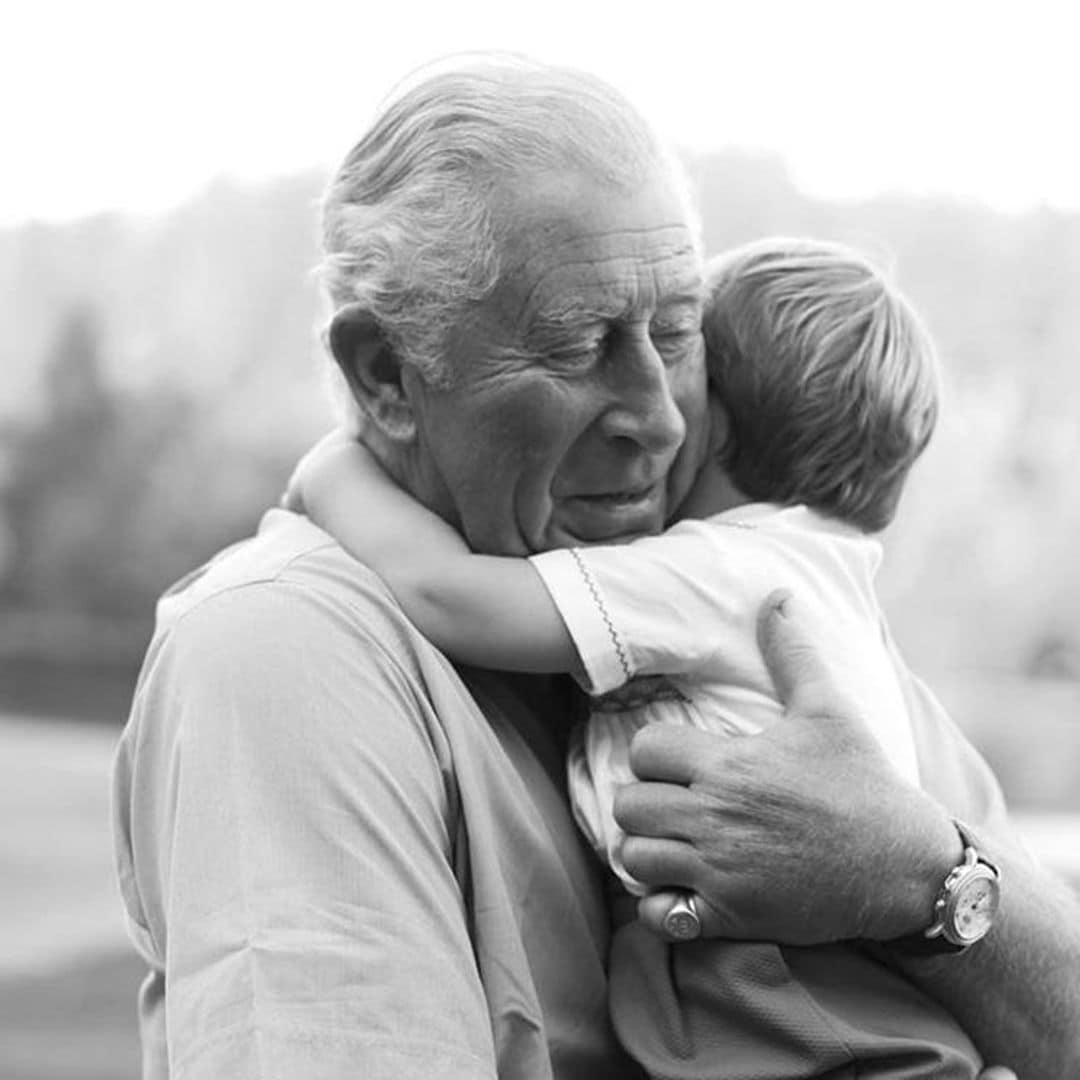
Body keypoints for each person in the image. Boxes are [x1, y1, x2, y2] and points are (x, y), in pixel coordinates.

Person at [111, 55, 1079, 1080]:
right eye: (579, 346)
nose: (659, 419)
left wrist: (925, 874)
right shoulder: (289, 654)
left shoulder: (788, 620)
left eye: (675, 335)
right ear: (388, 374)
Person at [285, 237, 980, 1077]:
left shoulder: (721, 567)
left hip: (794, 1013)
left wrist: (334, 471)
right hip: (829, 1009)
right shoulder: (822, 571)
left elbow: (450, 597)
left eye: (677, 352)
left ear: (709, 415)